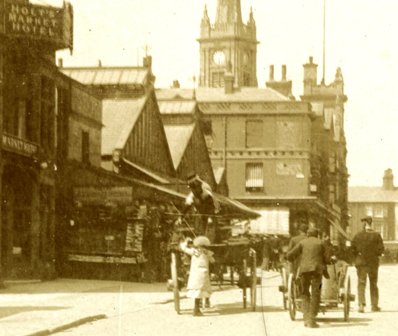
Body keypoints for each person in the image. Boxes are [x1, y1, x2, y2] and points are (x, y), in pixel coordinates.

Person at [286, 227, 329, 328]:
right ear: (317, 234)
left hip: (304, 271)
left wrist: (288, 257)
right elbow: (327, 258)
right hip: (318, 271)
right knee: (316, 293)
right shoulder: (321, 243)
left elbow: (290, 255)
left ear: (307, 234)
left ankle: (306, 318)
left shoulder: (302, 243)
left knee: (304, 293)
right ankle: (311, 319)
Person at [351, 216, 384, 313]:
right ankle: (374, 306)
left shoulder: (358, 235)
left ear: (364, 224)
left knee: (361, 283)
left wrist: (356, 258)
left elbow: (352, 249)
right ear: (371, 224)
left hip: (361, 263)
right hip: (373, 263)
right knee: (373, 284)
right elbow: (381, 249)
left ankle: (361, 305)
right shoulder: (377, 235)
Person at [180, 235, 215, 316]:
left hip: (195, 276)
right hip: (204, 275)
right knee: (202, 292)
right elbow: (213, 261)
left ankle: (196, 310)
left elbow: (183, 248)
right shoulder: (207, 252)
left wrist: (186, 241)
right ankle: (198, 309)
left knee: (197, 293)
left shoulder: (194, 251)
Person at [184, 173, 220, 238]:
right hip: (201, 215)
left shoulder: (206, 192)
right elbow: (187, 205)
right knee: (200, 229)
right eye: (192, 189)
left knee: (209, 228)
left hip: (209, 214)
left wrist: (210, 216)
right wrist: (182, 216)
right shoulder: (192, 195)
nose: (193, 190)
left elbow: (212, 205)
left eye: (193, 188)